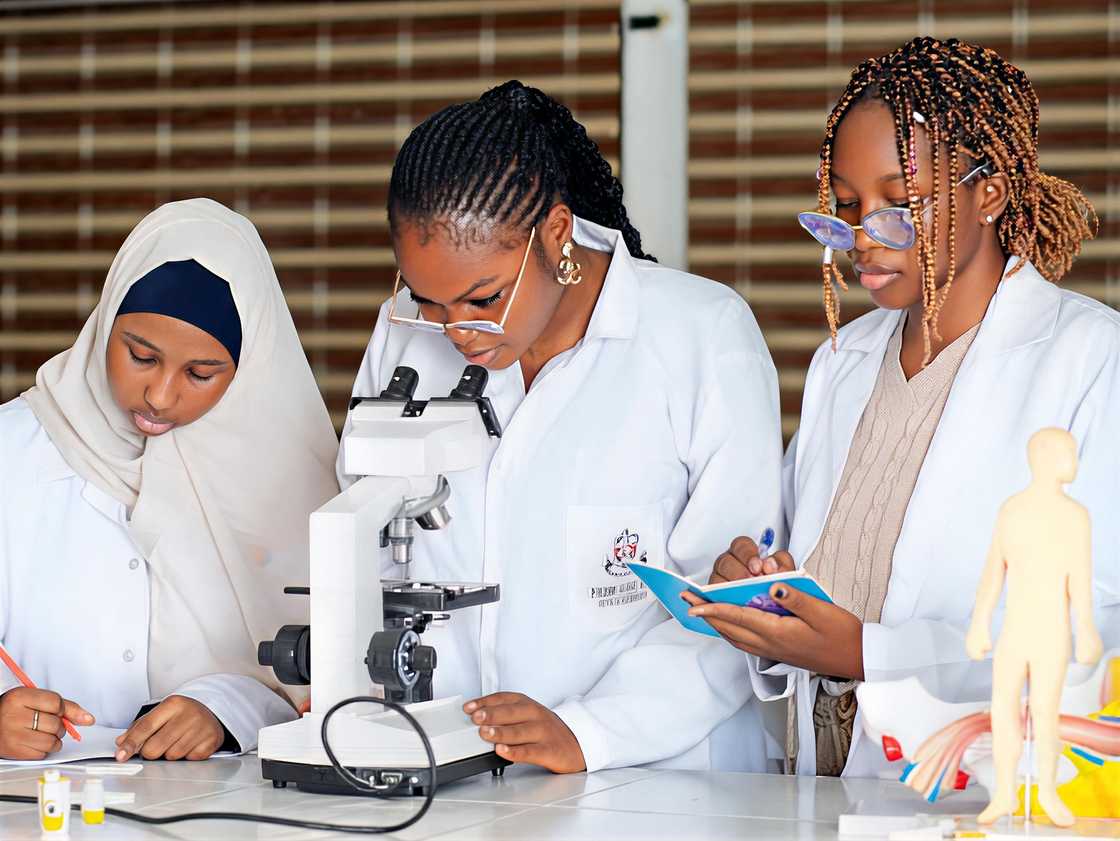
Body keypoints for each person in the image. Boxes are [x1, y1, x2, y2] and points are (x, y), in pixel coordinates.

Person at [685, 37, 1120, 778]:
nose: (861, 239)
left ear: (990, 191)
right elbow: (817, 560)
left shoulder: (1088, 357)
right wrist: (763, 588)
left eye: (898, 206)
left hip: (972, 783)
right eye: (846, 209)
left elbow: (1096, 625)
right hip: (821, 765)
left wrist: (866, 651)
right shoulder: (842, 360)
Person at [343, 80, 784, 773]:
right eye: (428, 302)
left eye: (483, 298)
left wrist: (590, 732)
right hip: (452, 771)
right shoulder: (407, 341)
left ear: (556, 235)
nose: (456, 330)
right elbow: (365, 534)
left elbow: (733, 604)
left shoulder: (702, 335)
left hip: (665, 782)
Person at [0, 198, 339, 761]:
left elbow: (328, 669)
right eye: (140, 356)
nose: (160, 396)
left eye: (200, 374)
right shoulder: (10, 449)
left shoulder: (285, 478)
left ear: (246, 367)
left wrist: (226, 711)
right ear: (105, 324)